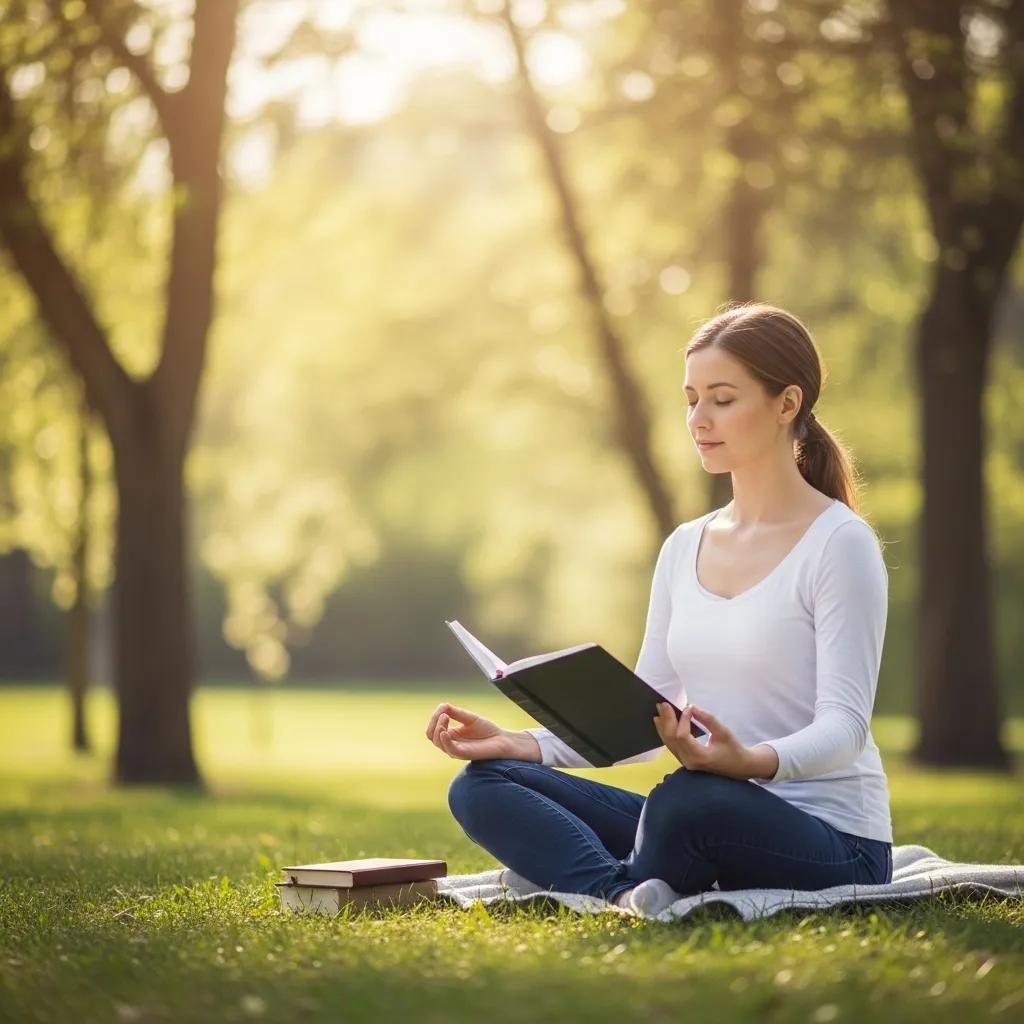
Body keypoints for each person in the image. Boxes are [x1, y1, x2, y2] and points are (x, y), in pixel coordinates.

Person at [427, 302, 894, 915]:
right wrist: (520, 741)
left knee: (686, 801)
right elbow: (646, 722)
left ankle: (591, 872)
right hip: (703, 806)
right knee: (482, 786)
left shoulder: (840, 544)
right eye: (691, 399)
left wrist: (744, 762)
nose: (699, 419)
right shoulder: (683, 547)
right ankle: (619, 890)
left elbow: (844, 728)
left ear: (787, 404)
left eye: (723, 399)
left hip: (832, 840)